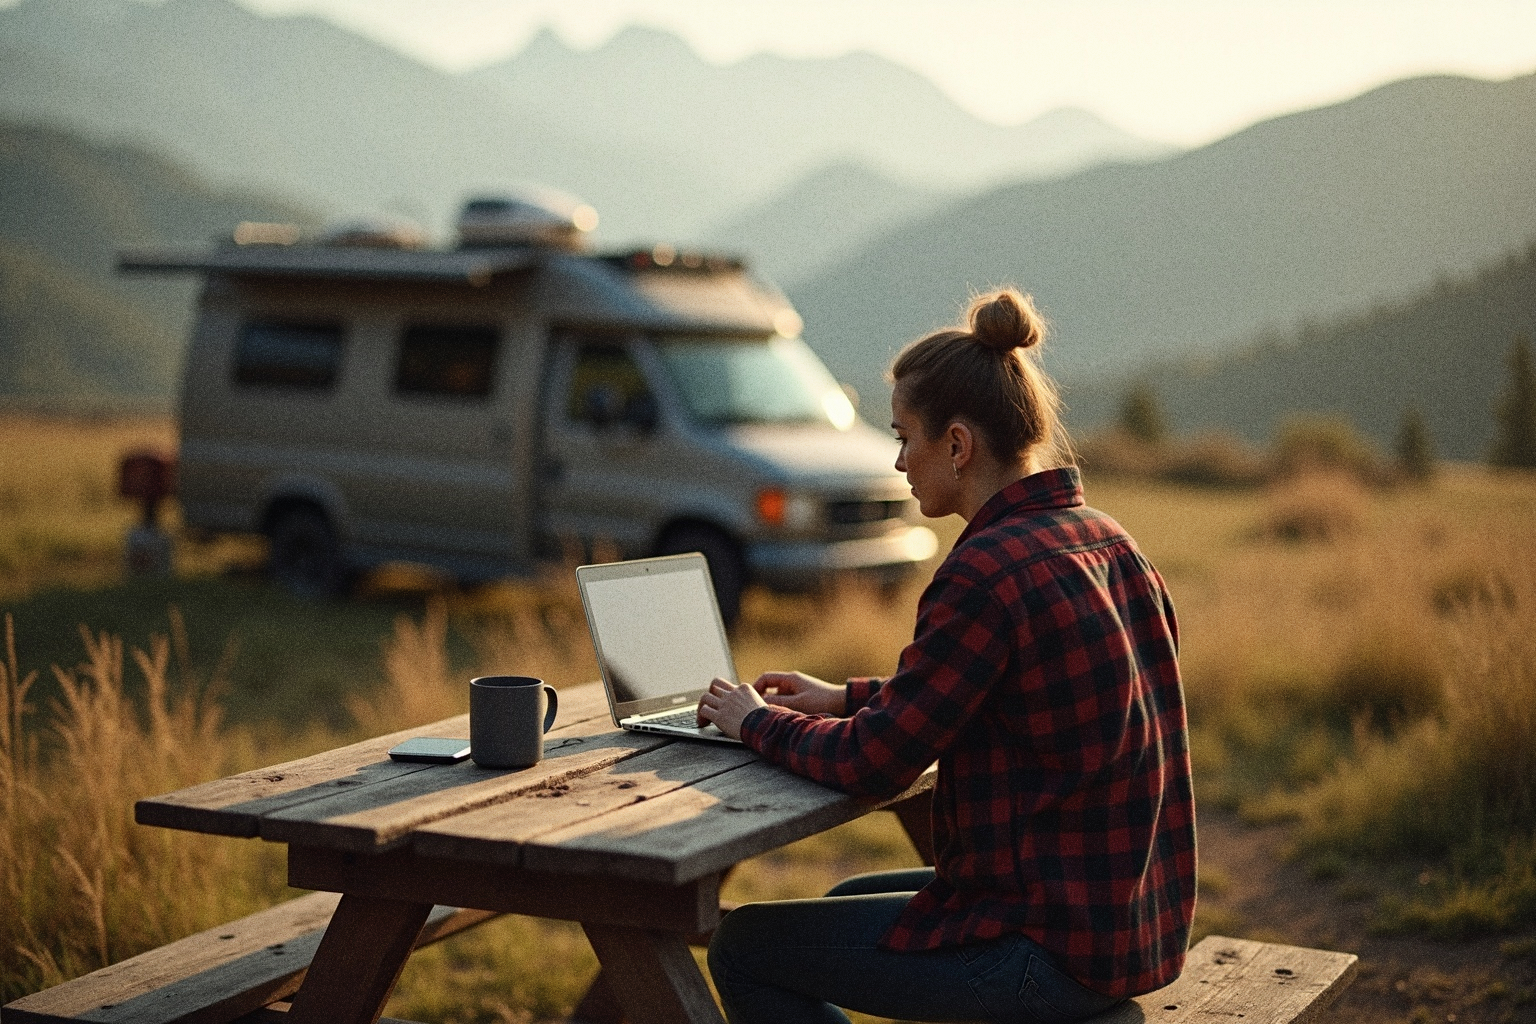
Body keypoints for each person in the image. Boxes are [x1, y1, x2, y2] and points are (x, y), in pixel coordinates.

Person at [696, 288, 1196, 1024]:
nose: (898, 459)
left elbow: (876, 764)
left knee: (741, 945)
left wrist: (751, 722)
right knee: (838, 903)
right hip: (1126, 927)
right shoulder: (1105, 539)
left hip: (1044, 953)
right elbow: (989, 691)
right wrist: (846, 697)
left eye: (905, 437)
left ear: (958, 445)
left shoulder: (985, 572)